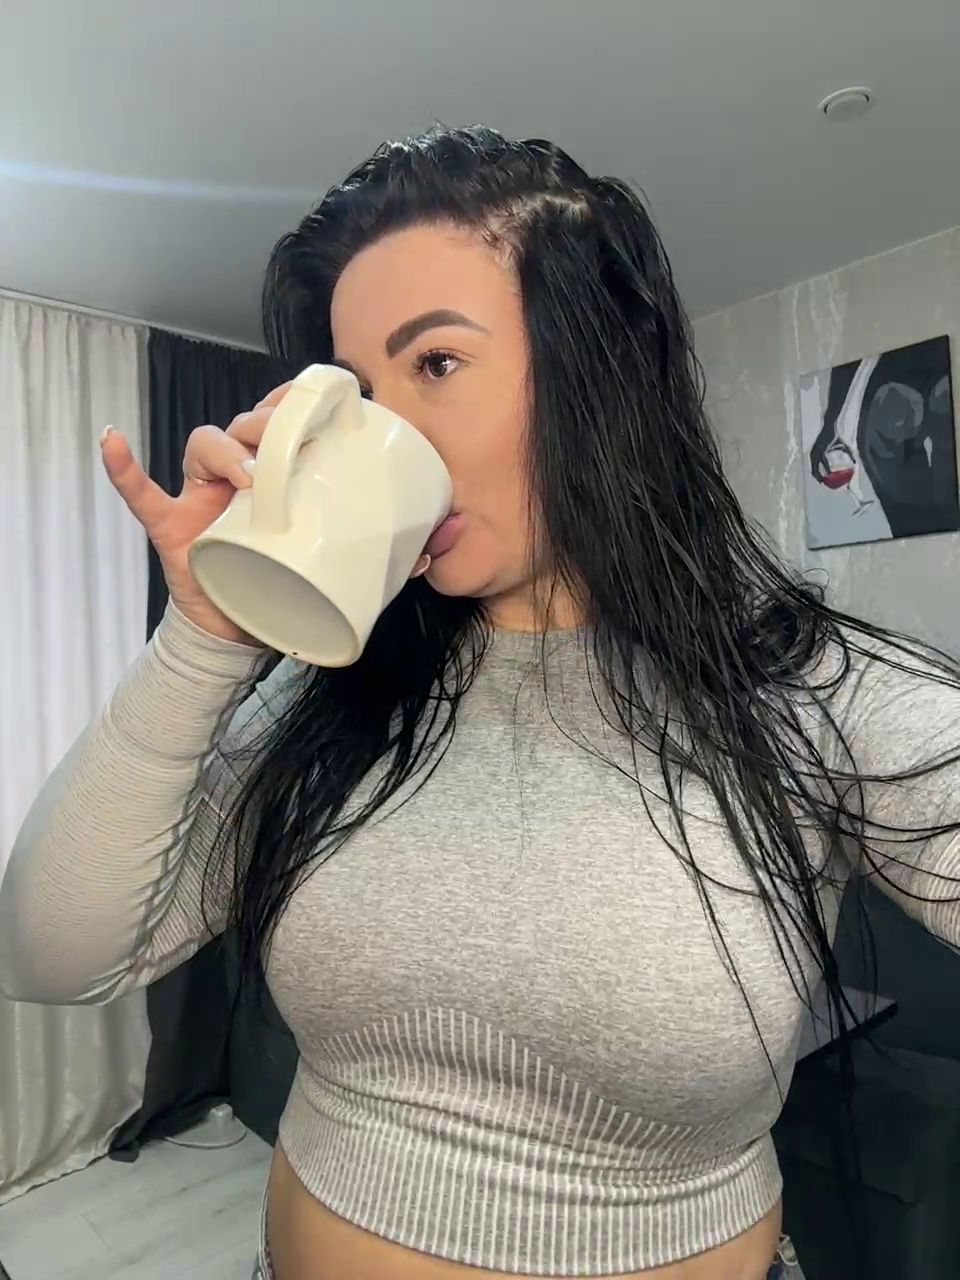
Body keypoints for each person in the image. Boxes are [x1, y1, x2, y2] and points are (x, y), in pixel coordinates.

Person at [2, 126, 959, 1280]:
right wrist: (204, 633)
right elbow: (53, 953)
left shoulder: (803, 691)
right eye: (359, 393)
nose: (385, 430)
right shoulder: (329, 698)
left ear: (601, 370)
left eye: (437, 363)